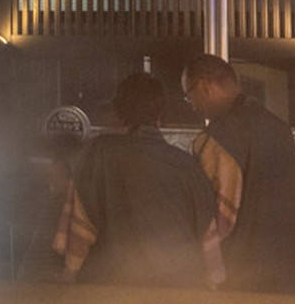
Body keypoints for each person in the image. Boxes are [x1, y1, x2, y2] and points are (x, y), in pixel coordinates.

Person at [54, 72, 222, 287]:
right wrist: (213, 283)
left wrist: (70, 272)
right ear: (161, 112)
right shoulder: (187, 165)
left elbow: (81, 225)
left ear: (119, 111)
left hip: (116, 284)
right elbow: (208, 236)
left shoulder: (99, 153)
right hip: (180, 289)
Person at [180, 54, 295, 294]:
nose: (191, 105)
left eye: (189, 96)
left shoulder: (218, 138)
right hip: (291, 274)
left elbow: (215, 218)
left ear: (204, 86)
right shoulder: (279, 128)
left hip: (244, 280)